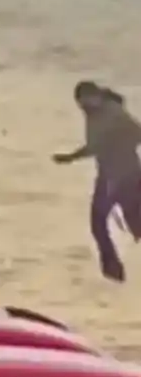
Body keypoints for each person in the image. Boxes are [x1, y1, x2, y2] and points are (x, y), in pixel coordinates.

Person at [53, 81, 141, 282]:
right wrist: (71, 157)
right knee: (101, 223)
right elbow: (96, 145)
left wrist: (118, 146)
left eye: (84, 101)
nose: (82, 106)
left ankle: (113, 271)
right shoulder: (93, 114)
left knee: (128, 223)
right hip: (108, 176)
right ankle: (113, 271)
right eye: (79, 103)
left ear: (95, 96)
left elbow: (137, 133)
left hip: (127, 176)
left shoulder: (113, 111)